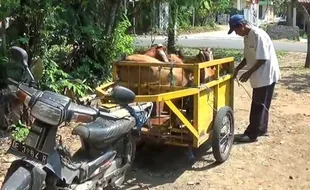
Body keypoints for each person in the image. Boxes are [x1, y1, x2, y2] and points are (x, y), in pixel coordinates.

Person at [228, 14, 281, 143]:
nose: (235, 33)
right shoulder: (246, 37)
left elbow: (262, 58)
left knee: (258, 104)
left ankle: (251, 134)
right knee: (262, 103)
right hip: (260, 74)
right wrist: (237, 69)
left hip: (266, 74)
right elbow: (247, 57)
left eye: (235, 30)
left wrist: (248, 73)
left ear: (241, 26)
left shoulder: (258, 35)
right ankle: (262, 128)